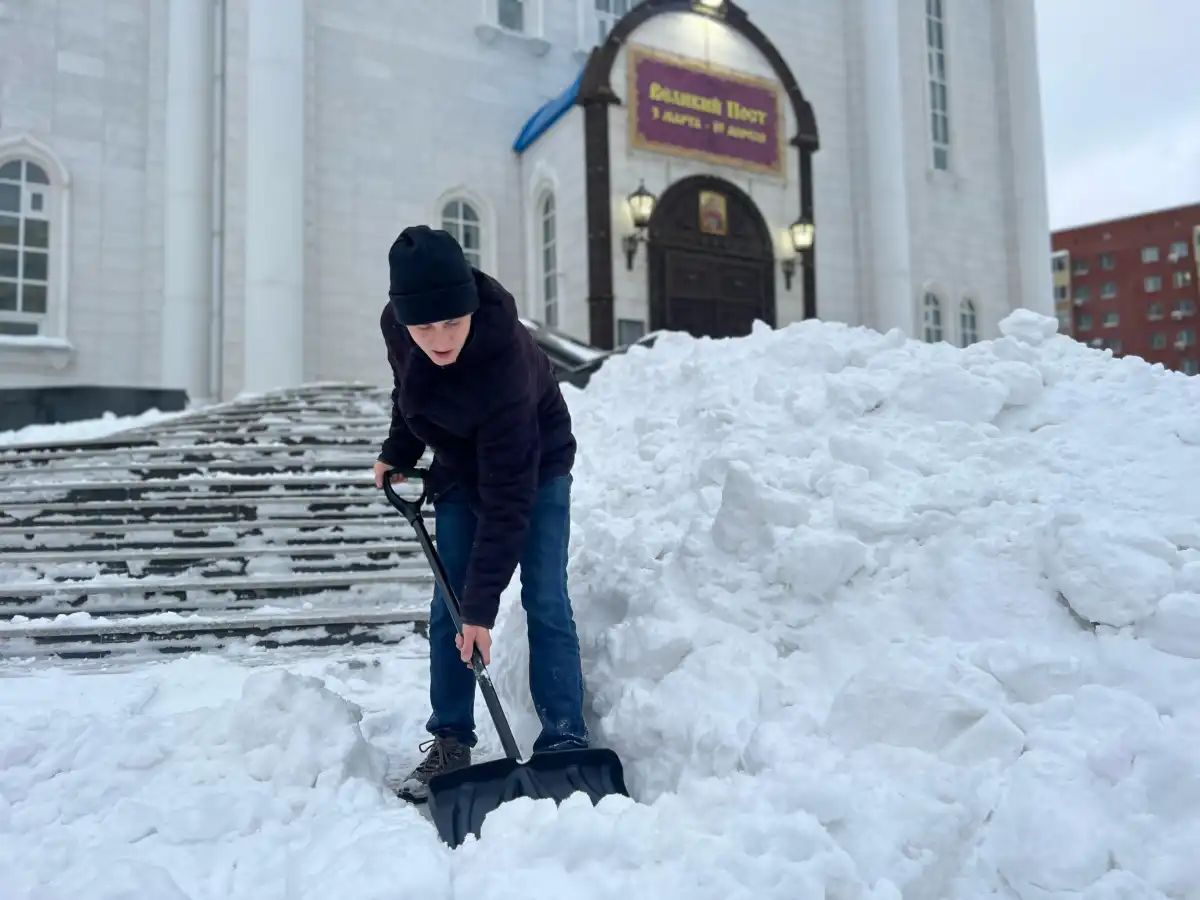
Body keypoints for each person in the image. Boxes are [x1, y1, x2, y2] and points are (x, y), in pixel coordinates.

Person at [373, 224, 590, 803]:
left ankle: (565, 738)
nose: (438, 338)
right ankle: (450, 740)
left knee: (544, 596)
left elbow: (509, 498)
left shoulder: (503, 361)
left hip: (534, 467)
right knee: (448, 610)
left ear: (470, 307)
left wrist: (483, 610)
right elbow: (408, 388)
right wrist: (399, 452)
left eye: (452, 322)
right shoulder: (399, 330)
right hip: (458, 465)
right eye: (424, 326)